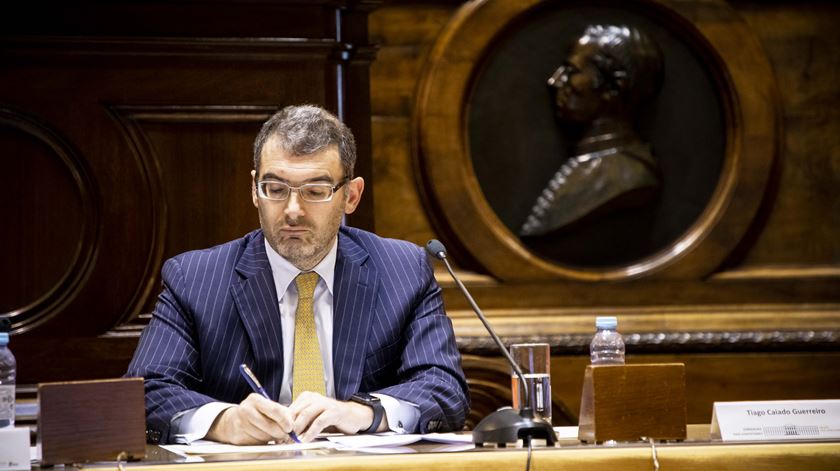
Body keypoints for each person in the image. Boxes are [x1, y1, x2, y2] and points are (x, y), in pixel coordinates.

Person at [127, 105, 469, 445]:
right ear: (254, 190)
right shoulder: (195, 278)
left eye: (315, 191)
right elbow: (146, 391)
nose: (292, 210)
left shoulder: (404, 270)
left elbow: (443, 387)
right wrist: (224, 421)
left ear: (351, 195)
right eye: (275, 189)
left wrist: (363, 413)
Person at [520, 24, 664, 237]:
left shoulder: (631, 177)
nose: (554, 81)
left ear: (613, 87)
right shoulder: (594, 161)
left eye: (572, 71)